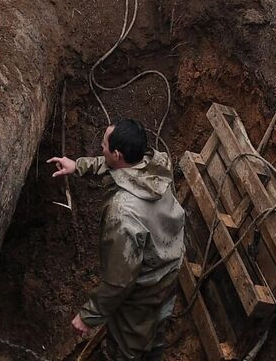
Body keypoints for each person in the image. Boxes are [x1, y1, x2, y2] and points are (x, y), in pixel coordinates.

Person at [48, 119, 186, 360]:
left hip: (144, 290)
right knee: (155, 335)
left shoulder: (122, 213)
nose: (100, 149)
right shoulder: (158, 162)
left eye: (104, 146)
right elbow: (119, 168)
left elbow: (120, 280)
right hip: (169, 268)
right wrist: (78, 166)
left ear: (118, 154)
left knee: (126, 348)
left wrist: (88, 315)